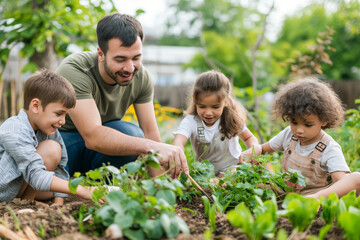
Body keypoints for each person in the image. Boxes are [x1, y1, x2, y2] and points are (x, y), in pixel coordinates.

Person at [56, 13, 188, 179]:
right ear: (101, 54)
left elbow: (150, 133)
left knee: (133, 134)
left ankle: (100, 182)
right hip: (64, 145)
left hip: (99, 151)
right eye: (120, 59)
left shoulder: (142, 78)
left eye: (136, 58)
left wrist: (162, 187)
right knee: (48, 162)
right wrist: (151, 146)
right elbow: (93, 136)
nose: (130, 68)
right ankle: (61, 180)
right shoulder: (76, 71)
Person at [240, 77, 360, 198]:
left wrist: (319, 198)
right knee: (257, 186)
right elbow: (263, 150)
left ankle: (312, 199)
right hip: (286, 193)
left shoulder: (329, 148)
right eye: (294, 122)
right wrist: (252, 152)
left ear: (324, 120)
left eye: (308, 124)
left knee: (356, 178)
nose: (299, 130)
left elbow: (341, 182)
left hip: (316, 199)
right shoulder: (289, 134)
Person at [0, 70, 100, 206]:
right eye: (59, 113)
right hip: (3, 192)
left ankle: (26, 201)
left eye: (65, 115)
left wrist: (58, 202)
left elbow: (60, 166)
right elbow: (35, 175)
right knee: (51, 179)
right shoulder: (14, 130)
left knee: (53, 152)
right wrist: (81, 189)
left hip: (22, 184)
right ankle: (21, 202)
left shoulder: (47, 129)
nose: (63, 121)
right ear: (35, 106)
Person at [172, 70, 260, 177]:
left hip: (232, 168)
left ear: (226, 101)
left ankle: (218, 183)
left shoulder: (232, 119)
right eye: (202, 106)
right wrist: (178, 155)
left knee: (233, 174)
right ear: (195, 100)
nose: (208, 113)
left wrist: (253, 149)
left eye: (215, 107)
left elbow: (249, 138)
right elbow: (178, 142)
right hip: (205, 172)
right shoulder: (191, 121)